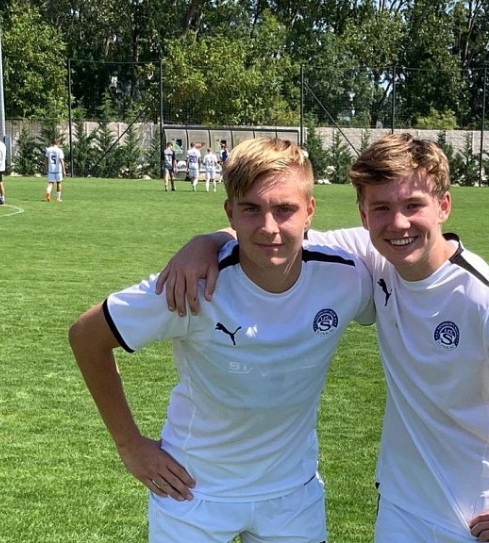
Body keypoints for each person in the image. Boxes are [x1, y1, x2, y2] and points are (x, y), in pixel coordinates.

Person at [157, 133, 489, 543]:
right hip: (401, 507)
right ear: (364, 215)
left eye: (413, 204)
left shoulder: (482, 300)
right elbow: (275, 233)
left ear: (443, 205)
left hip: (479, 514)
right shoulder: (374, 256)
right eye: (382, 208)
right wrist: (206, 241)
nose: (398, 223)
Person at [68, 137, 375, 543]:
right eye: (251, 209)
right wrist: (130, 446)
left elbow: (417, 255)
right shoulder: (191, 283)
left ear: (310, 211)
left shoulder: (348, 274)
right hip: (194, 492)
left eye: (285, 209)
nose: (269, 227)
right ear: (231, 212)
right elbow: (86, 336)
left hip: (292, 495)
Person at [45, 138, 66, 202]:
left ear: (52, 143)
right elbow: (61, 161)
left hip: (51, 169)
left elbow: (46, 160)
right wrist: (64, 170)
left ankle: (48, 192)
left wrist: (46, 167)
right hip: (58, 169)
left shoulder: (48, 150)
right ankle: (58, 198)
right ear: (58, 143)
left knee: (51, 183)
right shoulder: (59, 150)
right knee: (59, 182)